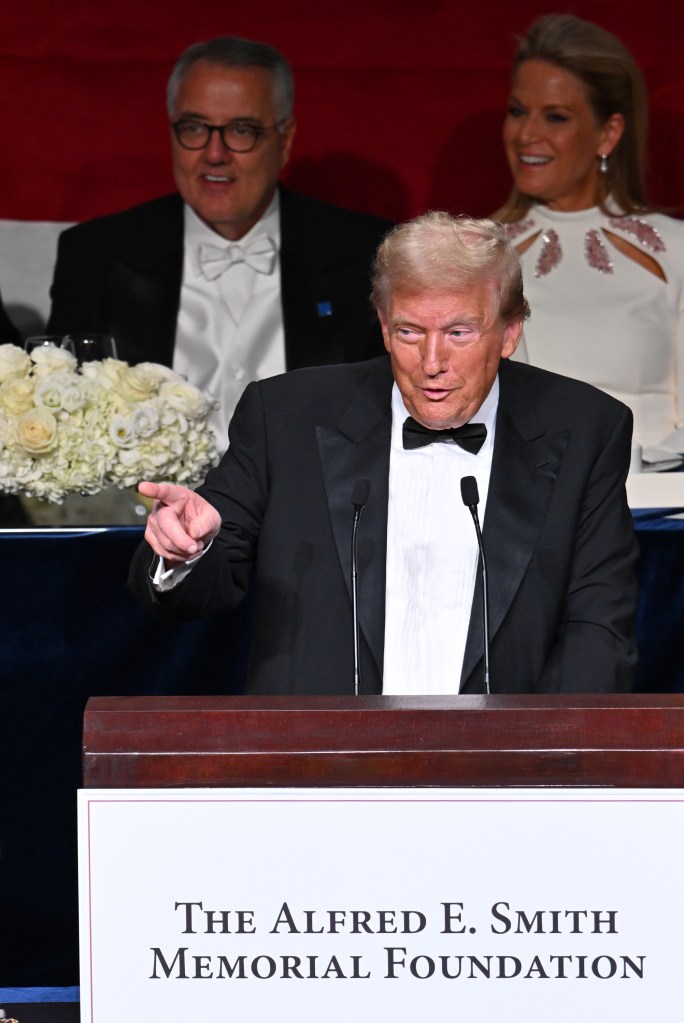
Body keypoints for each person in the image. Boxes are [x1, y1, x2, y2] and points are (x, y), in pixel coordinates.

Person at [129, 212, 638, 696]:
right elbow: (202, 583)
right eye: (409, 332)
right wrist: (182, 553)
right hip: (321, 766)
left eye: (459, 333)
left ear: (509, 333)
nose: (431, 363)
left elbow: (598, 625)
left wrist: (541, 758)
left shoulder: (585, 427)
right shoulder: (288, 417)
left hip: (506, 770)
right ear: (382, 322)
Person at [46, 36, 392, 446]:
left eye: (241, 130)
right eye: (194, 127)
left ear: (285, 139)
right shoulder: (95, 254)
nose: (214, 153)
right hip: (142, 507)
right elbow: (61, 414)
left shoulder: (370, 254)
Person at [493, 13, 684, 457]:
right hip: (522, 512)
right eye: (518, 111)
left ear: (608, 133)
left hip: (658, 512)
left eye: (555, 117)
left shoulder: (677, 251)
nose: (526, 134)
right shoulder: (475, 256)